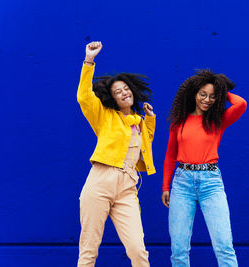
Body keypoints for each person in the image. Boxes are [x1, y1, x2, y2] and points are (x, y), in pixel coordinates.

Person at [77, 41, 156, 267]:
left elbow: (146, 142)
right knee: (89, 250)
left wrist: (149, 118)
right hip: (101, 182)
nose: (124, 93)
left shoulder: (139, 122)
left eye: (126, 89)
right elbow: (84, 97)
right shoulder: (105, 117)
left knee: (138, 250)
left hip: (127, 187)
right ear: (113, 98)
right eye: (117, 92)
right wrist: (89, 60)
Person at [161, 69, 247, 267]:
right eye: (203, 94)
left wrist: (220, 88)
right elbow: (170, 156)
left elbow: (241, 104)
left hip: (211, 183)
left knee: (224, 245)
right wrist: (166, 187)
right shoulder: (179, 121)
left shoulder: (218, 120)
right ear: (194, 93)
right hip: (182, 183)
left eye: (212, 96)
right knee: (179, 249)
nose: (207, 99)